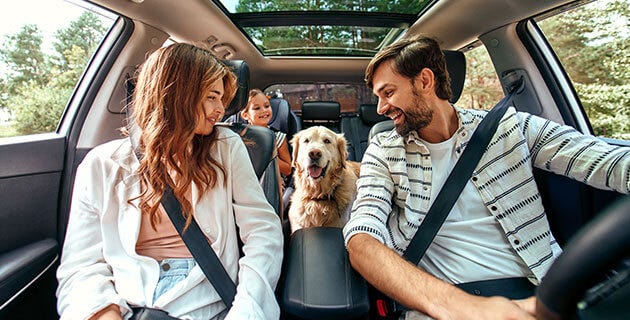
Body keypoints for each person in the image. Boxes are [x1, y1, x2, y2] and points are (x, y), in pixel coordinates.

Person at [343, 35, 630, 320]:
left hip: (541, 296)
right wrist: (460, 307)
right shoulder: (383, 149)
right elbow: (362, 238)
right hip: (440, 305)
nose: (380, 108)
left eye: (388, 93)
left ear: (425, 81)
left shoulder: (510, 127)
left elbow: (604, 160)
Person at [56, 43, 283, 320]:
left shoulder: (226, 146)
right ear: (178, 93)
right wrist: (103, 311)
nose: (221, 110)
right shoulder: (101, 164)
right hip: (129, 300)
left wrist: (247, 309)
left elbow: (262, 231)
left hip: (207, 300)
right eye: (212, 97)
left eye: (222, 99)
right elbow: (81, 265)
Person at [240, 89, 292, 179]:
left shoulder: (278, 137)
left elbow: (288, 170)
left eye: (267, 106)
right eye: (257, 108)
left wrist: (267, 156)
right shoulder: (241, 137)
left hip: (271, 182)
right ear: (245, 115)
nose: (264, 110)